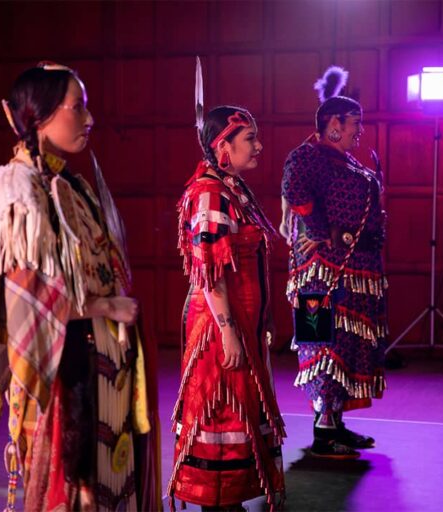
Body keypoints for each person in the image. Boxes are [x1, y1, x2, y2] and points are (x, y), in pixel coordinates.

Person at [0, 62, 161, 512]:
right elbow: (26, 301)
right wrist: (106, 306)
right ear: (40, 115)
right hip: (65, 372)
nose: (89, 119)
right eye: (78, 107)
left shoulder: (68, 181)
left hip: (100, 364)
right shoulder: (19, 187)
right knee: (76, 490)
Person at [169, 98, 286, 509]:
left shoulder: (234, 190)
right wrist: (229, 331)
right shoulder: (209, 195)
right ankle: (218, 503)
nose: (258, 147)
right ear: (223, 145)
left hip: (242, 325)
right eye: (250, 139)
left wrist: (262, 318)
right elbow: (210, 272)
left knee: (240, 415)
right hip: (220, 329)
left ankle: (230, 501)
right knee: (221, 412)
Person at [281, 66, 388, 459]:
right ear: (333, 124)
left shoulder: (351, 162)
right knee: (320, 345)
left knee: (345, 344)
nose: (360, 130)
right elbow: (295, 191)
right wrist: (320, 231)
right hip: (319, 274)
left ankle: (336, 423)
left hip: (355, 274)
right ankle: (324, 430)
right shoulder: (307, 157)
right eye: (354, 123)